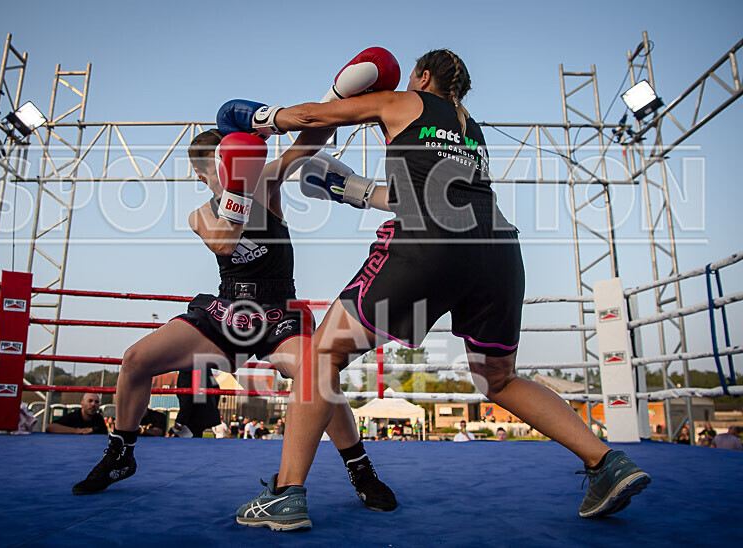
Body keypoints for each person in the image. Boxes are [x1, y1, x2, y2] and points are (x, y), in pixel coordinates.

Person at [224, 48, 650, 528]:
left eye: (410, 77)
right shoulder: (472, 130)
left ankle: (286, 494)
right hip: (500, 252)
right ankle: (605, 462)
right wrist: (352, 191)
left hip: (430, 246)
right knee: (499, 379)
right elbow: (430, 193)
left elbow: (312, 117)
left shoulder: (400, 102)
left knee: (322, 356)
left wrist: (259, 118)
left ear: (422, 76)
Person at [71, 80, 396, 511]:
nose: (228, 172)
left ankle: (360, 468)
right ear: (203, 173)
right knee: (135, 359)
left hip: (279, 309)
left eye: (232, 163)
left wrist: (331, 102)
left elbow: (308, 144)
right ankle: (120, 454)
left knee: (319, 373)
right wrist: (238, 188)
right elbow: (224, 243)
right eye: (220, 166)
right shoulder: (199, 214)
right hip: (227, 308)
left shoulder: (266, 183)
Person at [170, 369, 222, 438]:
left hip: (191, 416)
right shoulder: (205, 369)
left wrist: (180, 420)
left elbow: (187, 395)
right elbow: (216, 389)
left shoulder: (189, 370)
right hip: (202, 414)